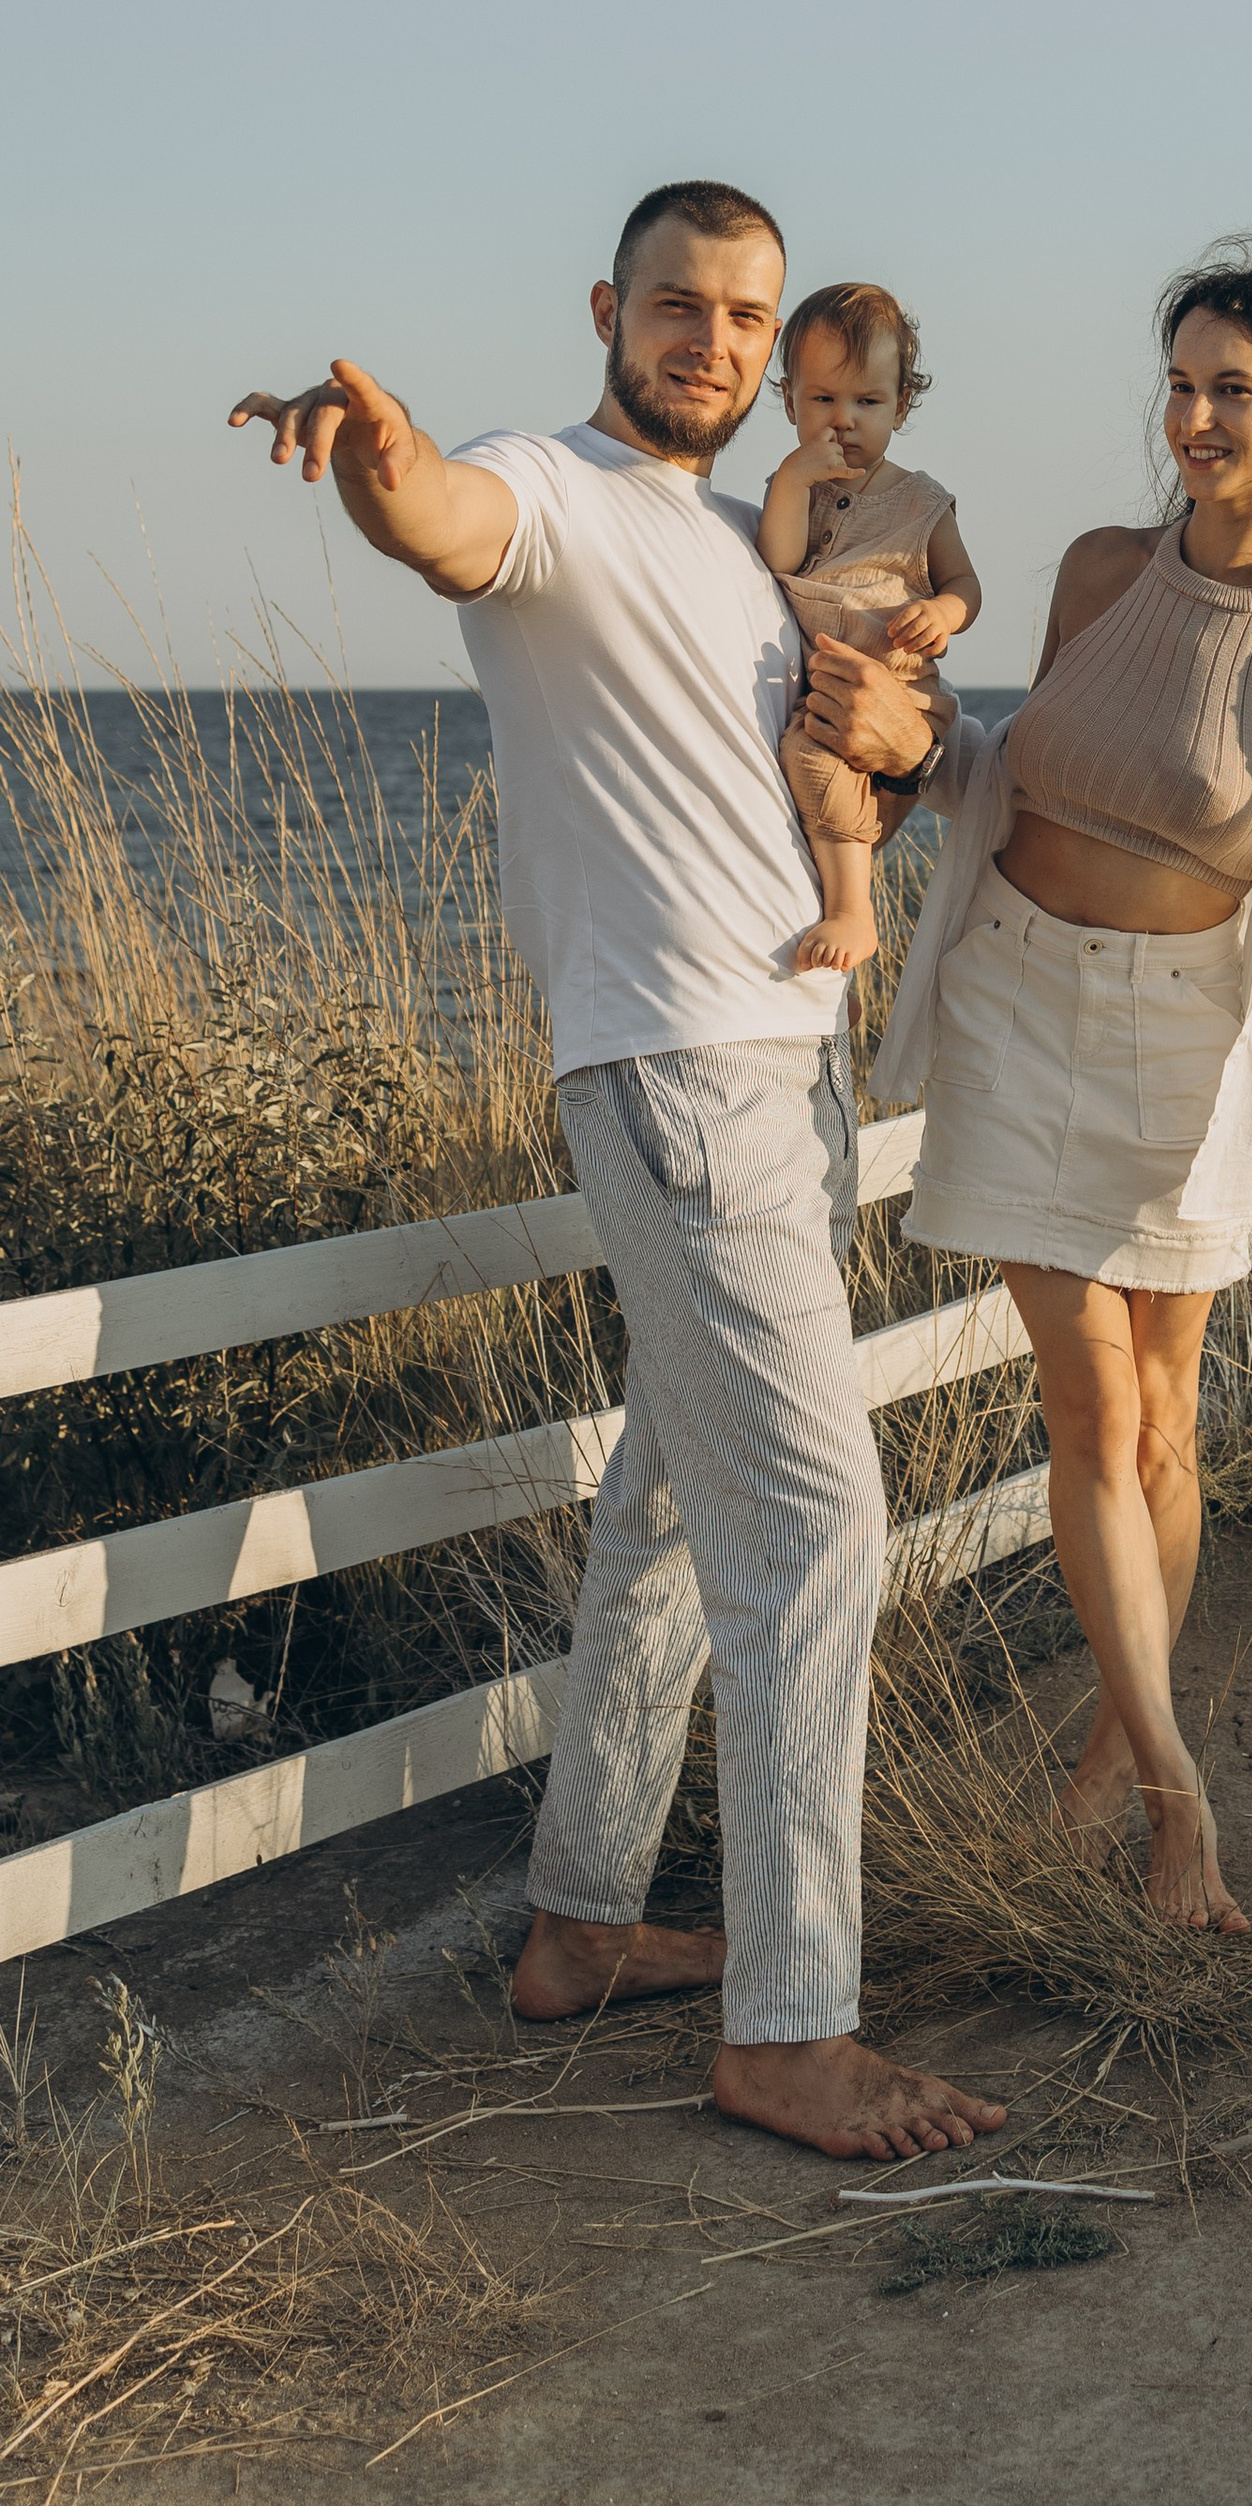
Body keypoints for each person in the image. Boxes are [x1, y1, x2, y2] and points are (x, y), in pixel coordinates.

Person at [226, 179, 1004, 2168]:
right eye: (679, 307)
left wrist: (900, 743)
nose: (716, 343)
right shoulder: (546, 488)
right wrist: (380, 471)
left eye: (746, 318)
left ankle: (579, 1924)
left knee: (673, 1507)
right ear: (609, 309)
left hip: (779, 1070)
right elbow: (447, 530)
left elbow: (853, 766)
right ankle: (789, 2026)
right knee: (816, 1531)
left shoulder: (756, 548)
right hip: (679, 1078)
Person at [871, 239, 1252, 1934]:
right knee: (1098, 1415)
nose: (1191, 417)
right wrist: (909, 738)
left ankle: (1114, 1764)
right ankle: (1181, 1807)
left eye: (1230, 392)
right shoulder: (1098, 572)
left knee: (1170, 1425)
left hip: (1196, 1047)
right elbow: (1015, 771)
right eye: (1178, 384)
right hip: (1022, 1008)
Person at [756, 279, 983, 977]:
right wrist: (793, 485)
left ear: (901, 405)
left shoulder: (920, 501)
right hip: (829, 684)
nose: (843, 421)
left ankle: (855, 912)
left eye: (867, 402)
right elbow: (780, 559)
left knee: (814, 766)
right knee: (797, 808)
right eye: (822, 400)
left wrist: (940, 616)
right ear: (790, 397)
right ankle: (838, 980)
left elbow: (965, 587)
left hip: (903, 687)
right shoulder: (792, 486)